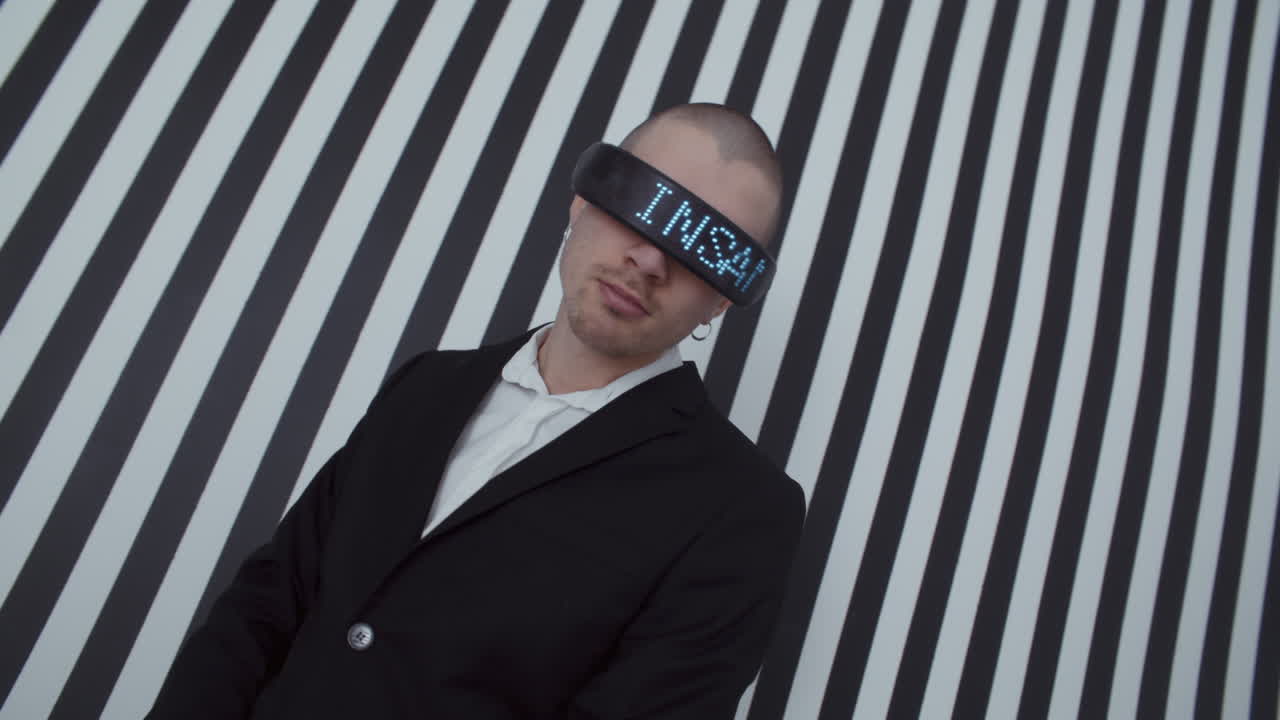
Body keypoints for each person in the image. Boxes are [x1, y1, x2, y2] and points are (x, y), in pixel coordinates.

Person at [148, 103, 806, 719]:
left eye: (705, 247)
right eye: (641, 204)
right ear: (582, 199)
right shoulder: (426, 384)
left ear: (723, 298)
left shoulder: (742, 512)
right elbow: (269, 599)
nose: (649, 258)